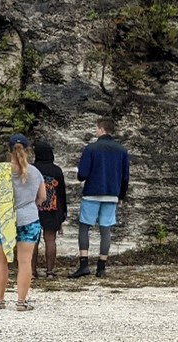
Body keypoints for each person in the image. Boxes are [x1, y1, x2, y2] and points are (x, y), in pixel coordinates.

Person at [0, 134, 46, 312]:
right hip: (29, 220)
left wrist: (1, 207)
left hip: (5, 220)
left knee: (1, 262)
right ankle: (21, 302)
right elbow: (42, 197)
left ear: (9, 150)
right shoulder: (35, 172)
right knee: (25, 262)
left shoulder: (0, 171)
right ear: (27, 150)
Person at [70, 117, 130, 279]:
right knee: (106, 229)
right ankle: (101, 267)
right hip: (112, 194)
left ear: (102, 130)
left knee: (84, 227)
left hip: (92, 192)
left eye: (97, 129)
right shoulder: (122, 150)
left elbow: (82, 175)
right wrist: (121, 195)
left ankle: (84, 265)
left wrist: (80, 172)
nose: (96, 131)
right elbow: (125, 177)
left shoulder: (91, 148)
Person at [32, 141, 68, 278]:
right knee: (50, 239)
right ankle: (50, 272)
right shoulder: (56, 170)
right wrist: (63, 213)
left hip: (34, 208)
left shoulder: (32, 169)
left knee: (33, 240)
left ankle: (32, 272)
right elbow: (62, 193)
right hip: (53, 209)